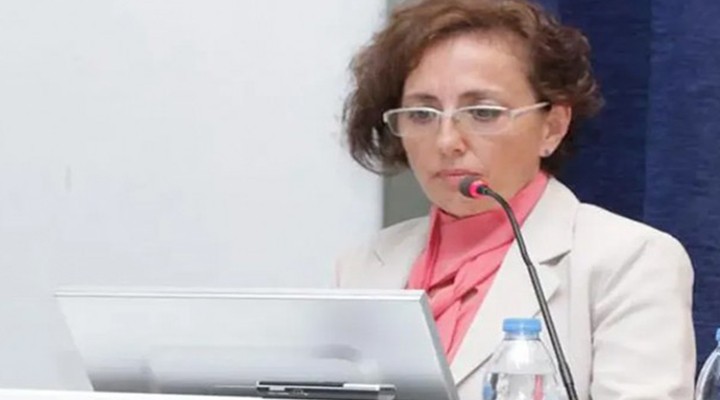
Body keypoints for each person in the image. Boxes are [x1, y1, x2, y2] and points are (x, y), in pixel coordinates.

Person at [335, 0, 696, 399]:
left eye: (483, 112)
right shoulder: (364, 265)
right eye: (422, 114)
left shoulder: (630, 261)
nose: (447, 141)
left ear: (552, 127)